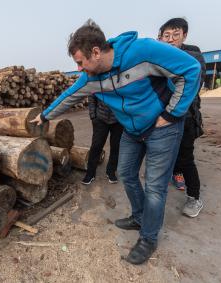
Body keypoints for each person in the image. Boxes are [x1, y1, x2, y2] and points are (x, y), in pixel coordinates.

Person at [31, 19, 201, 264]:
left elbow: (191, 69)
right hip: (132, 130)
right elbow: (68, 97)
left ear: (96, 52)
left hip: (163, 128)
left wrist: (172, 113)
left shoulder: (142, 51)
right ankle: (140, 216)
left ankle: (149, 238)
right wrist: (44, 115)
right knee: (126, 173)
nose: (79, 69)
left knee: (154, 186)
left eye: (80, 62)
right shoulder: (91, 78)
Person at [158, 18, 206, 218]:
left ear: (184, 36)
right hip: (163, 117)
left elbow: (194, 78)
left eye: (175, 35)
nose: (170, 40)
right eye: (166, 36)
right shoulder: (158, 57)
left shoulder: (193, 55)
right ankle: (173, 174)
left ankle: (194, 197)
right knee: (165, 154)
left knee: (186, 158)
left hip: (185, 118)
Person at [82, 95, 123, 185]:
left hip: (118, 120)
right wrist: (93, 116)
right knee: (96, 146)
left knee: (116, 146)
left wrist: (123, 116)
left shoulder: (121, 81)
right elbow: (92, 97)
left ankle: (111, 171)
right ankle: (90, 173)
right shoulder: (99, 80)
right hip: (100, 119)